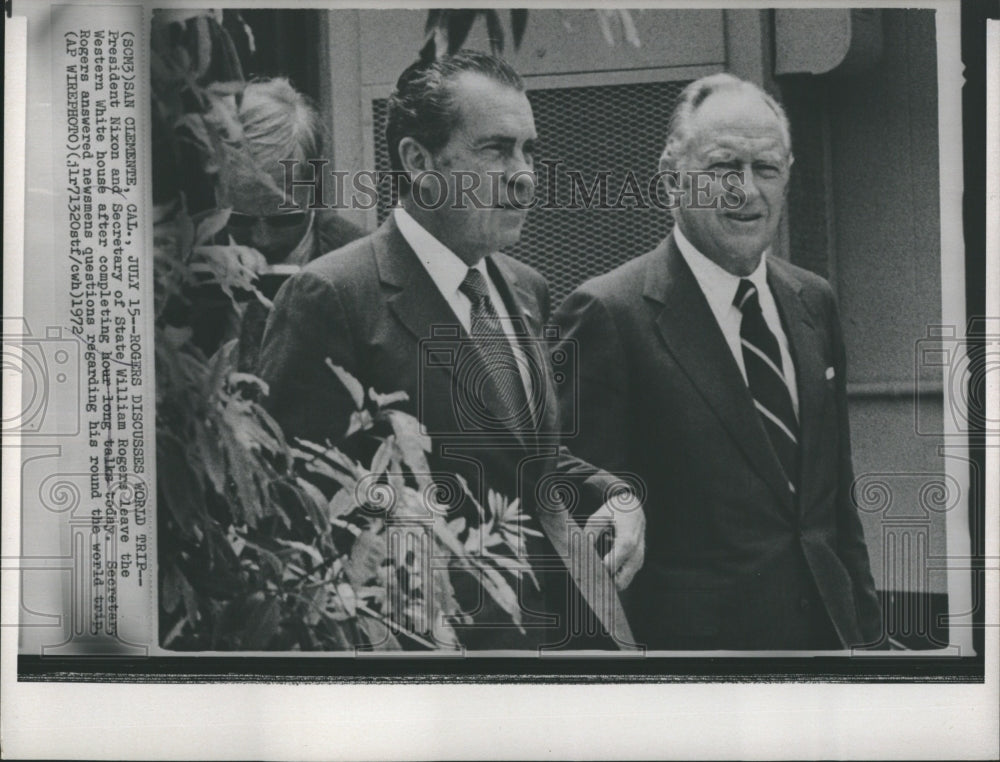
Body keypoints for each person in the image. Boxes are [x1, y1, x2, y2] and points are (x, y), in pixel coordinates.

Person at [259, 51, 645, 650]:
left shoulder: (524, 286)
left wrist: (613, 495)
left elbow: (522, 456)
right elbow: (298, 518)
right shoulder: (332, 296)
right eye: (495, 149)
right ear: (418, 162)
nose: (523, 175)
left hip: (570, 648)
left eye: (530, 150)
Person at [553, 72, 881, 650]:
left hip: (828, 656)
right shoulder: (607, 315)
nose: (747, 191)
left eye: (766, 169)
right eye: (724, 167)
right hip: (698, 682)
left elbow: (835, 506)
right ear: (671, 178)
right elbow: (579, 537)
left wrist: (871, 646)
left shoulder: (814, 301)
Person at [216, 77, 366, 371]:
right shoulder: (189, 260)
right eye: (240, 219)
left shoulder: (361, 264)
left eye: (282, 219)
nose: (262, 239)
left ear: (314, 183)